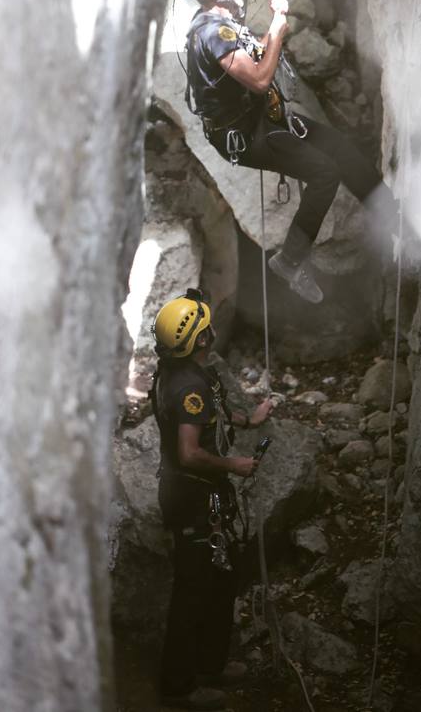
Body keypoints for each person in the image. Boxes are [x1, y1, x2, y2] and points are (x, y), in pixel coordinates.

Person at [176, 0, 401, 304]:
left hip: (262, 120)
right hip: (247, 136)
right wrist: (278, 30)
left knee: (339, 148)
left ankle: (392, 217)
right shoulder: (212, 33)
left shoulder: (225, 25)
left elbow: (258, 57)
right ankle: (291, 261)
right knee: (325, 173)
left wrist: (275, 24)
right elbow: (260, 79)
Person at [151, 288, 271, 711]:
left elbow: (211, 414)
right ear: (201, 339)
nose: (213, 324)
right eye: (206, 322)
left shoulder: (192, 372)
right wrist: (233, 465)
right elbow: (189, 451)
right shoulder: (186, 386)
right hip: (192, 500)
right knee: (192, 591)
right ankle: (178, 687)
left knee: (221, 579)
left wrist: (247, 418)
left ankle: (211, 664)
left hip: (208, 498)